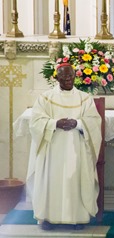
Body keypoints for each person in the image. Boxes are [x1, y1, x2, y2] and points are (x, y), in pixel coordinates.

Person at [27, 63, 102, 230]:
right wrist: (55, 123)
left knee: (74, 179)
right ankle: (48, 218)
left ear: (75, 76)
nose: (68, 79)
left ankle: (77, 218)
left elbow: (94, 121)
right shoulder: (46, 98)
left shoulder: (84, 98)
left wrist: (78, 123)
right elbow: (36, 122)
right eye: (64, 77)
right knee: (51, 180)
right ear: (56, 77)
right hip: (52, 148)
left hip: (76, 147)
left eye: (71, 76)